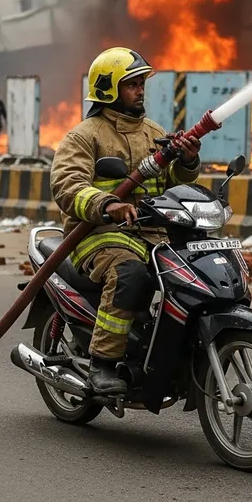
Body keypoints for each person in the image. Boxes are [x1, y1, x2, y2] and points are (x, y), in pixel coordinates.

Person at [50, 47, 202, 395]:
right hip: (99, 235)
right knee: (129, 274)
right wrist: (107, 204)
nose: (140, 90)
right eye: (132, 84)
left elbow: (171, 186)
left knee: (196, 275)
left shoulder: (154, 132)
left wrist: (188, 162)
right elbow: (67, 186)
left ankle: (171, 351)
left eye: (141, 83)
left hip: (152, 234)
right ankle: (102, 363)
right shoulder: (85, 136)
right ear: (108, 89)